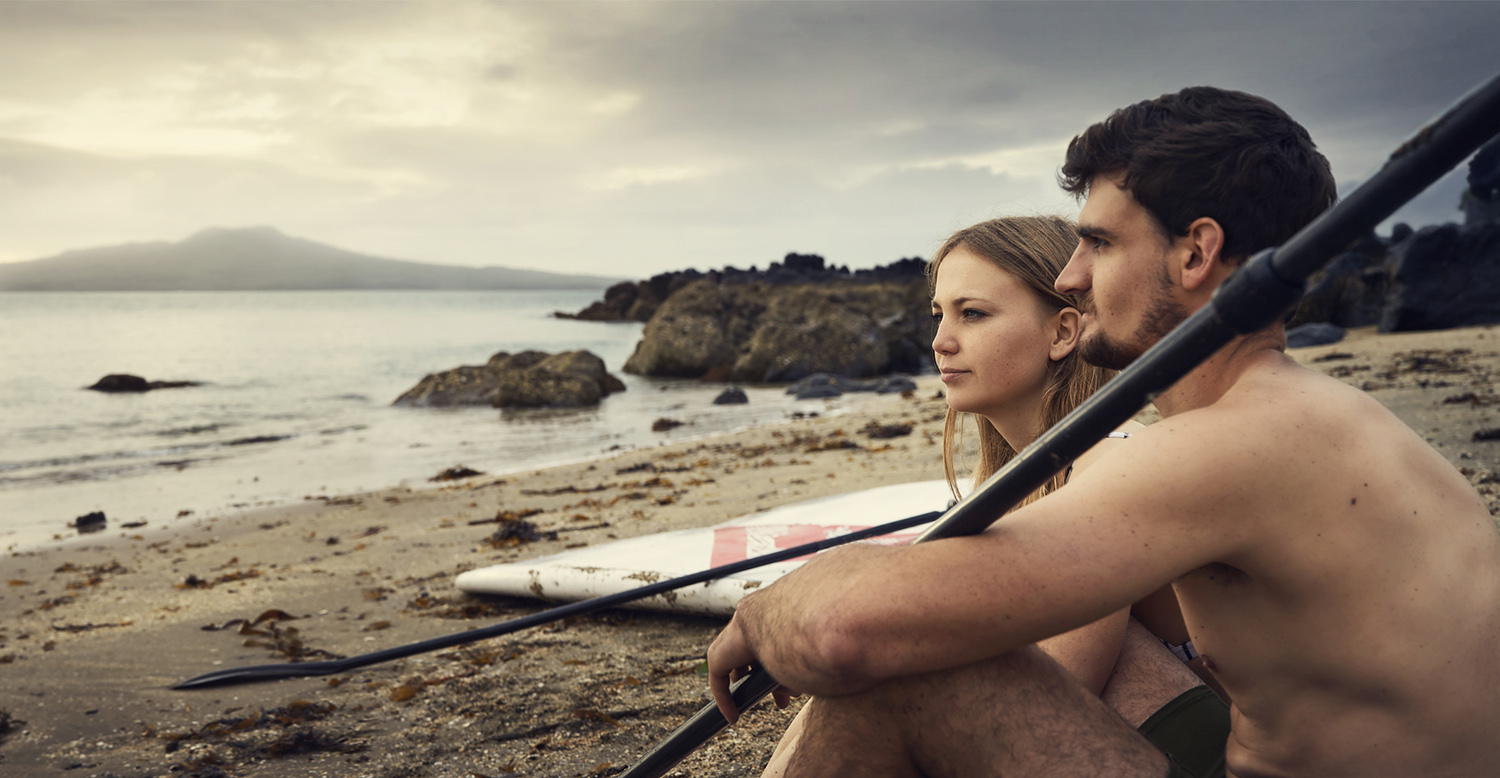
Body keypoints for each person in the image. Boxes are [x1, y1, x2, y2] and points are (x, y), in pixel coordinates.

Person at [707, 85, 1500, 777]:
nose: (1069, 276)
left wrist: (766, 611)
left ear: (1196, 254)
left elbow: (849, 632)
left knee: (908, 674)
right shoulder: (1314, 417)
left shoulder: (1230, 446)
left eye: (1098, 241)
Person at [755, 214, 1227, 777]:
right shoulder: (1003, 484)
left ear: (1062, 332)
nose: (940, 341)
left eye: (972, 314)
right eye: (938, 315)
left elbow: (1027, 691)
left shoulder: (1113, 461)